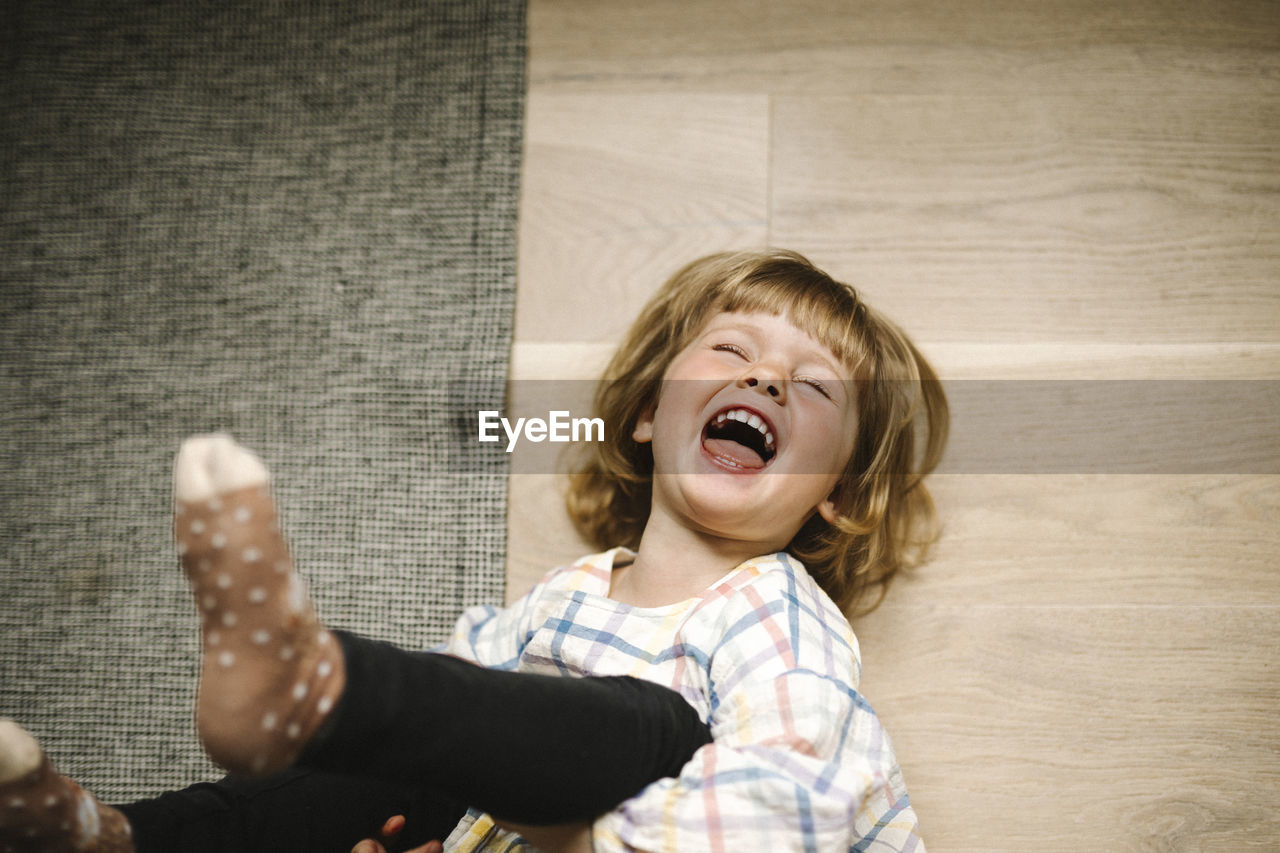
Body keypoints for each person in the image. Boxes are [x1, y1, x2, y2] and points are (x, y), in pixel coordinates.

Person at [0, 249, 947, 853]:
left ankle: (329, 684)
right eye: (732, 349)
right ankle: (114, 833)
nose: (766, 375)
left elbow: (783, 810)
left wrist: (568, 837)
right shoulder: (565, 598)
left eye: (815, 386)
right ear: (651, 412)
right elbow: (459, 719)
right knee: (371, 764)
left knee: (648, 724)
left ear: (833, 493)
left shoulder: (779, 616)